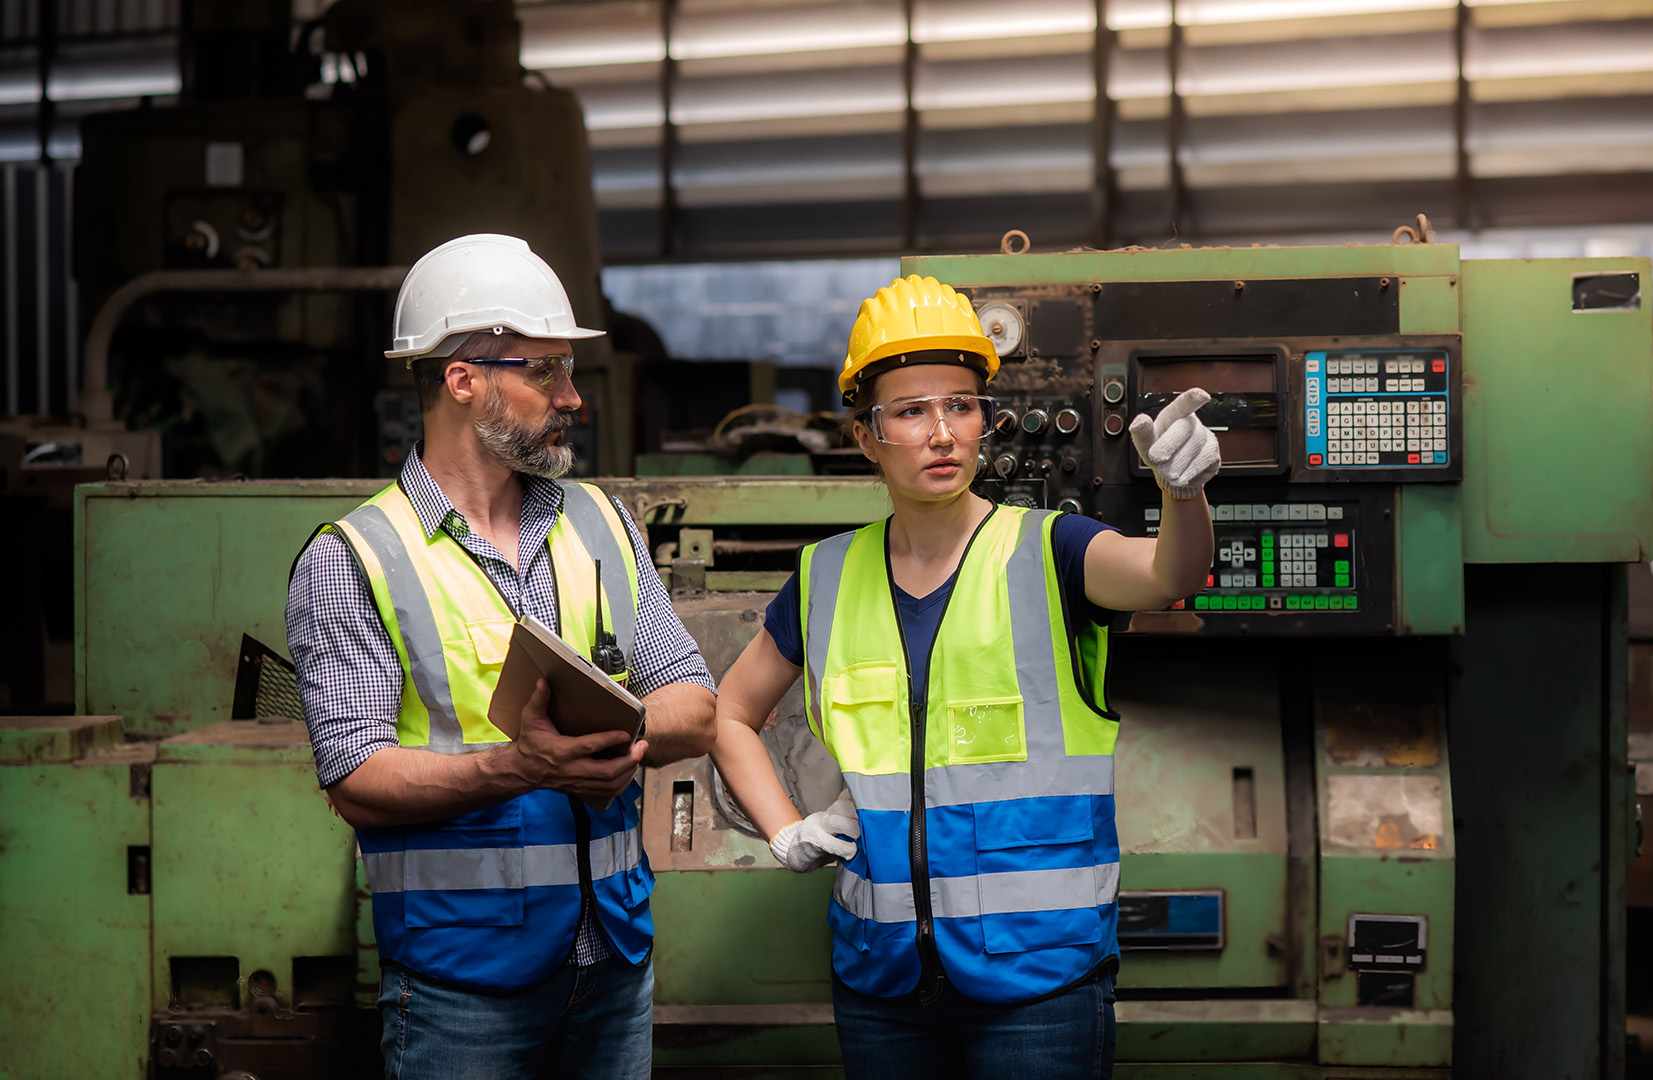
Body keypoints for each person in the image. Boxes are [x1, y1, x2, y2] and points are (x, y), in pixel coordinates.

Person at [707, 274, 1219, 1078]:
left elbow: (1165, 574)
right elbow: (730, 714)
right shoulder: (825, 578)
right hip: (882, 986)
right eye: (911, 411)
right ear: (866, 436)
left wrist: (1182, 496)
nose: (942, 432)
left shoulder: (1055, 551)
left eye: (961, 404)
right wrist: (785, 830)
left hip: (1039, 986)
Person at [285, 233, 717, 1080]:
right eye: (545, 372)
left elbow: (694, 701)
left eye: (569, 371)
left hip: (614, 968)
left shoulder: (603, 522)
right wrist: (520, 767)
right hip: (461, 990)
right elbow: (353, 776)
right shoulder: (354, 557)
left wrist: (618, 741)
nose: (573, 399)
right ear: (462, 379)